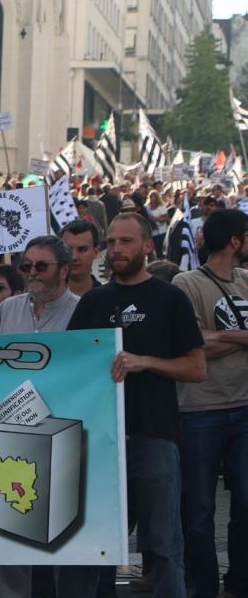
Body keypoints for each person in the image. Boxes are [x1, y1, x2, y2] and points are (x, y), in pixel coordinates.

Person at [67, 213, 207, 598]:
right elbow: (72, 367)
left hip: (155, 435)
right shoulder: (94, 301)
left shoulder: (170, 298)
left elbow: (197, 368)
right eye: (111, 242)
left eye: (126, 242)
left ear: (148, 246)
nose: (116, 250)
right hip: (100, 441)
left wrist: (146, 362)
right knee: (94, 544)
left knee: (163, 543)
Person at [0, 238, 79, 598]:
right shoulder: (7, 309)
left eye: (40, 266)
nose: (31, 274)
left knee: (34, 541)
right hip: (0, 435)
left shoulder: (84, 310)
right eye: (26, 266)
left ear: (64, 268)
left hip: (56, 439)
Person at [172, 209, 248, 598]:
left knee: (245, 505)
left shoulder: (246, 280)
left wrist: (218, 337)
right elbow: (192, 344)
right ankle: (203, 588)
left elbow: (208, 338)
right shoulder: (186, 283)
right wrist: (243, 337)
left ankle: (238, 583)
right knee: (199, 512)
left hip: (245, 406)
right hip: (200, 410)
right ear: (235, 241)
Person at [60, 219, 103, 297]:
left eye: (82, 250)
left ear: (96, 252)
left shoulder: (107, 298)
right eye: (68, 249)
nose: (74, 257)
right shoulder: (46, 298)